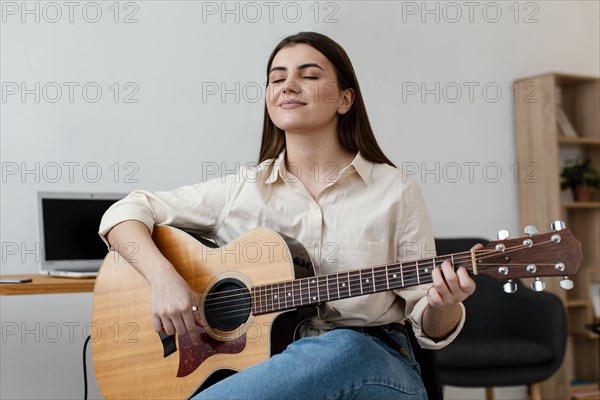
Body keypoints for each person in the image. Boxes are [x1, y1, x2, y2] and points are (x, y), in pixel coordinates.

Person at [99, 31, 476, 399]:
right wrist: (164, 279)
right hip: (272, 367)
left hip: (378, 362)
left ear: (345, 100)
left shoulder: (396, 191)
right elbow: (125, 212)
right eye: (277, 78)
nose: (288, 85)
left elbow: (430, 325)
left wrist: (444, 305)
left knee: (344, 346)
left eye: (309, 76)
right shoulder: (240, 190)